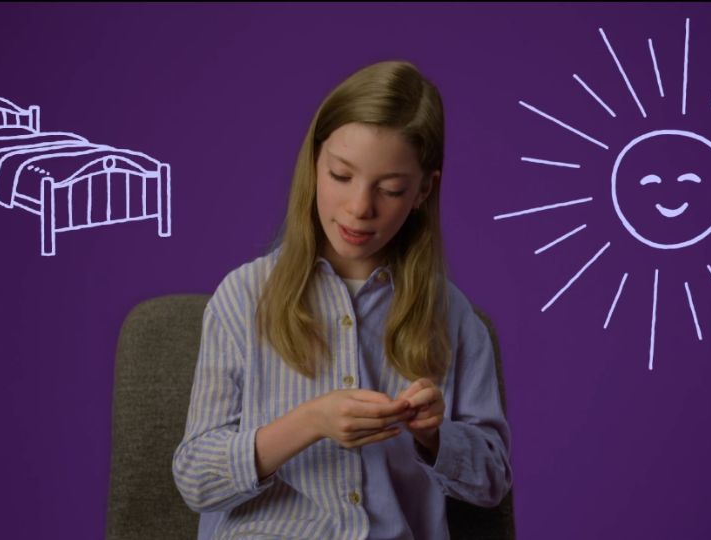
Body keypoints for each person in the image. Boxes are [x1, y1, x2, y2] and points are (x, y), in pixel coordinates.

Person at [172, 60, 512, 540]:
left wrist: (435, 437)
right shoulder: (244, 297)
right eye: (340, 175)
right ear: (314, 165)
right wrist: (311, 421)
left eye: (391, 189)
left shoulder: (452, 317)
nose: (359, 208)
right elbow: (196, 480)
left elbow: (492, 482)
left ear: (422, 191)